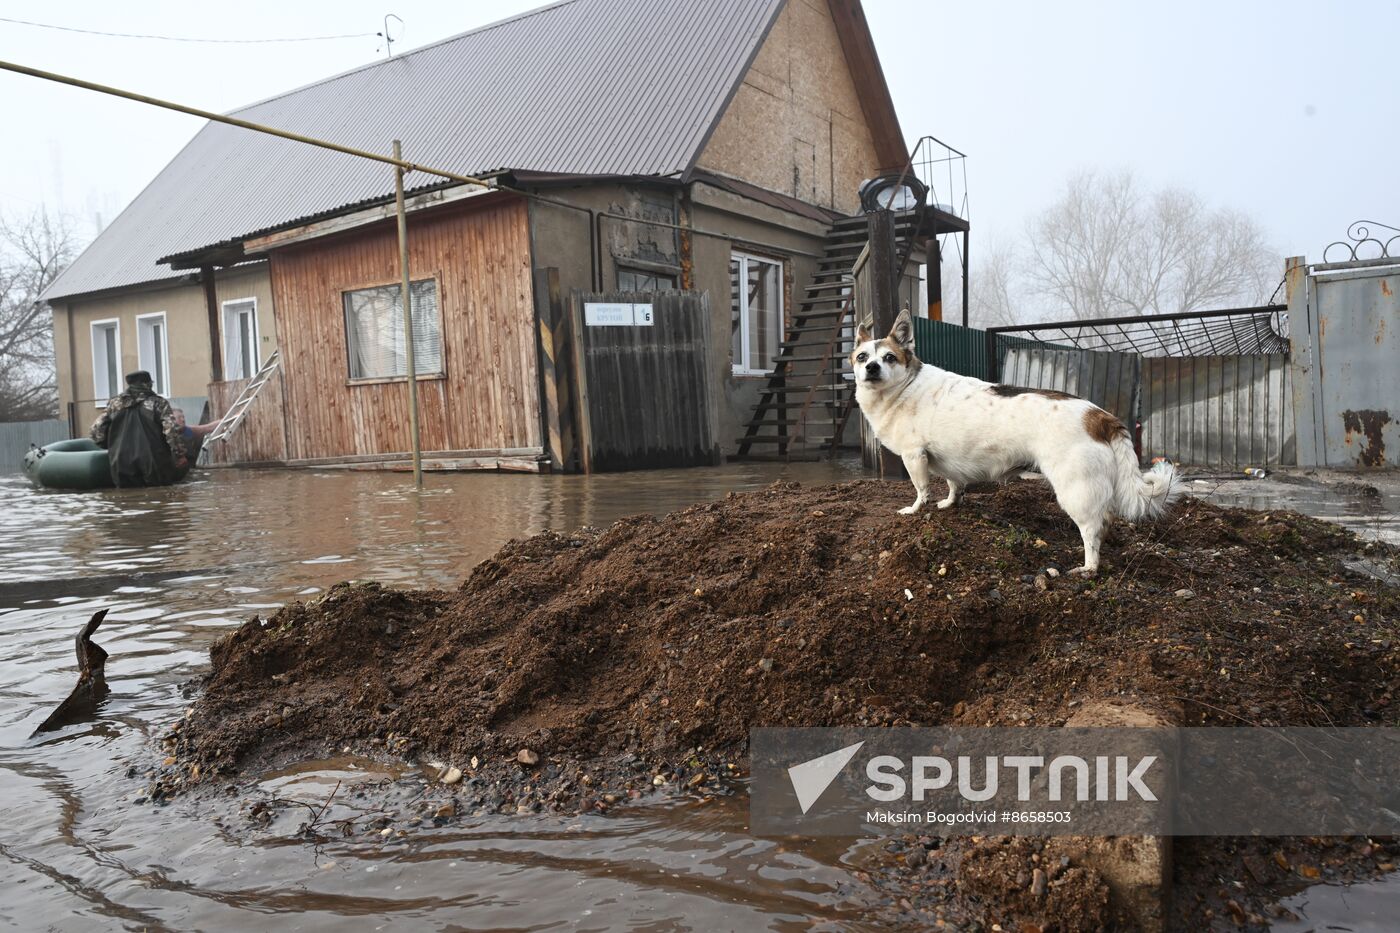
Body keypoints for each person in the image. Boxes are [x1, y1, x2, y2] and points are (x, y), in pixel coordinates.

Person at [90, 371, 187, 487]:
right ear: (148, 384)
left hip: (121, 462)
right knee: (159, 499)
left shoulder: (114, 404)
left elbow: (95, 431)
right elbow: (171, 431)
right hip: (154, 461)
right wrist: (179, 454)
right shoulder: (158, 403)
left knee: (127, 500)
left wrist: (109, 446)